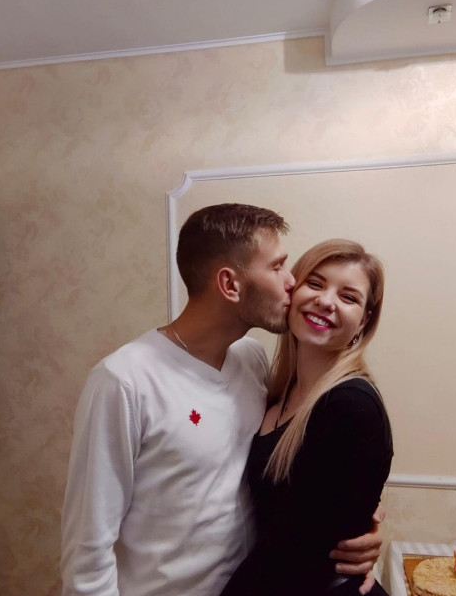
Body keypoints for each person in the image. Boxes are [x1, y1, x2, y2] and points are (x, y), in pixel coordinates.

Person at [61, 205, 384, 596]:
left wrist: (360, 521)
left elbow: (302, 479)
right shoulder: (123, 381)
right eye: (278, 267)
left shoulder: (251, 360)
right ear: (230, 285)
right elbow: (88, 551)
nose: (292, 281)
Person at [221, 239, 393, 596]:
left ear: (364, 321)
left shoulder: (351, 406)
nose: (326, 301)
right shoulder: (277, 390)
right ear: (292, 292)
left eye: (348, 297)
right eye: (315, 283)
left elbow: (307, 556)